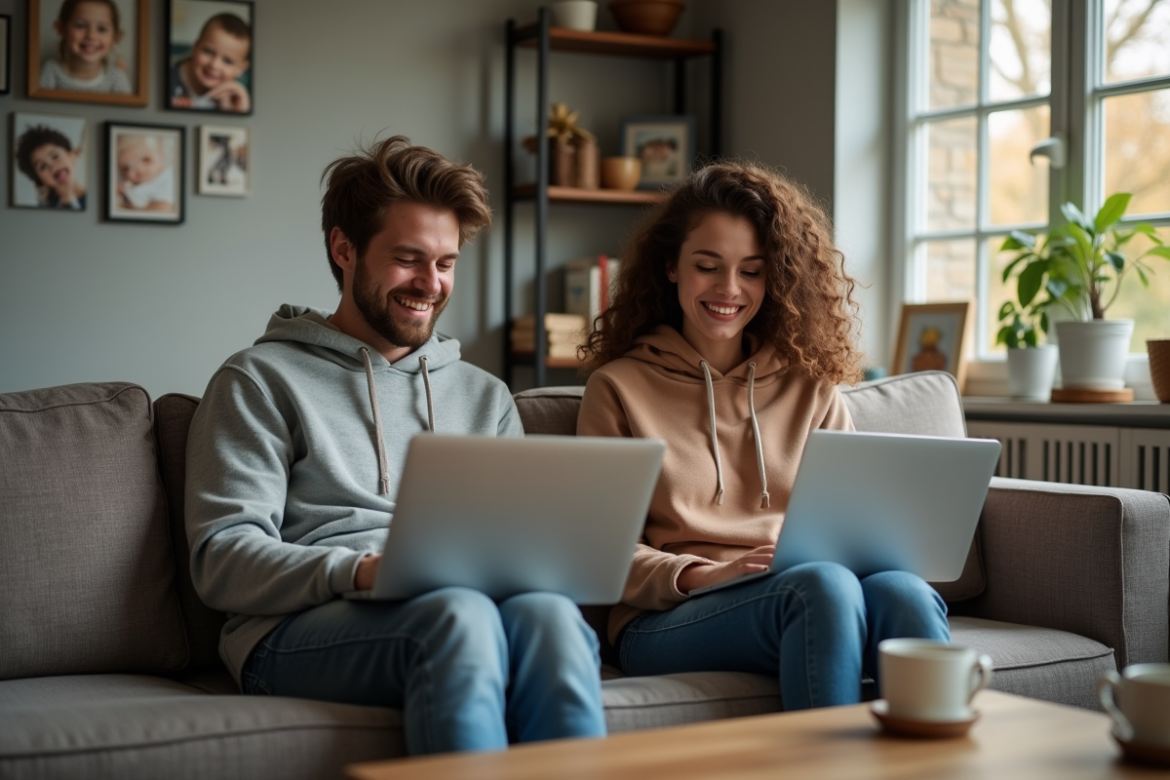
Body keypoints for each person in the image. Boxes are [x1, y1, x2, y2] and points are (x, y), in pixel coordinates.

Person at [184, 136, 606, 756]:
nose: (430, 284)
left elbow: (510, 551)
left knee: (551, 618)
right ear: (343, 249)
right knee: (457, 619)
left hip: (456, 604)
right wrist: (361, 571)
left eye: (446, 262)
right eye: (409, 259)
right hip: (292, 629)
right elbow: (221, 557)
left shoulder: (484, 397)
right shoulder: (259, 379)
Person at [577, 160, 950, 710]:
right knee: (822, 587)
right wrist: (709, 574)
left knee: (905, 593)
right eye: (708, 266)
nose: (729, 289)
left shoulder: (812, 388)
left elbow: (851, 529)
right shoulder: (619, 389)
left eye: (752, 271)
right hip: (668, 616)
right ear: (672, 268)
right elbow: (599, 550)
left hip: (804, 583)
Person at [39, 0, 131, 93]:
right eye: (80, 26)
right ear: (62, 29)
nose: (91, 35)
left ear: (115, 37)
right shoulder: (51, 71)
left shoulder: (116, 78)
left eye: (102, 29)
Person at [170, 12, 251, 112]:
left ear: (241, 69)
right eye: (208, 52)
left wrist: (237, 113)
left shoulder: (234, 99)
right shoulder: (165, 80)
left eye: (227, 61)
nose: (214, 65)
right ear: (195, 46)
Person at [14, 124, 87, 210]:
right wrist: (67, 198)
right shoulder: (47, 205)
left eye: (55, 157)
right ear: (39, 180)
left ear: (71, 156)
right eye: (43, 166)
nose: (52, 166)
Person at [115, 133, 175, 212]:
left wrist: (131, 207)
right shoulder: (129, 184)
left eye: (146, 160)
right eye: (125, 169)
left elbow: (164, 208)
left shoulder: (168, 177)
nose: (128, 175)